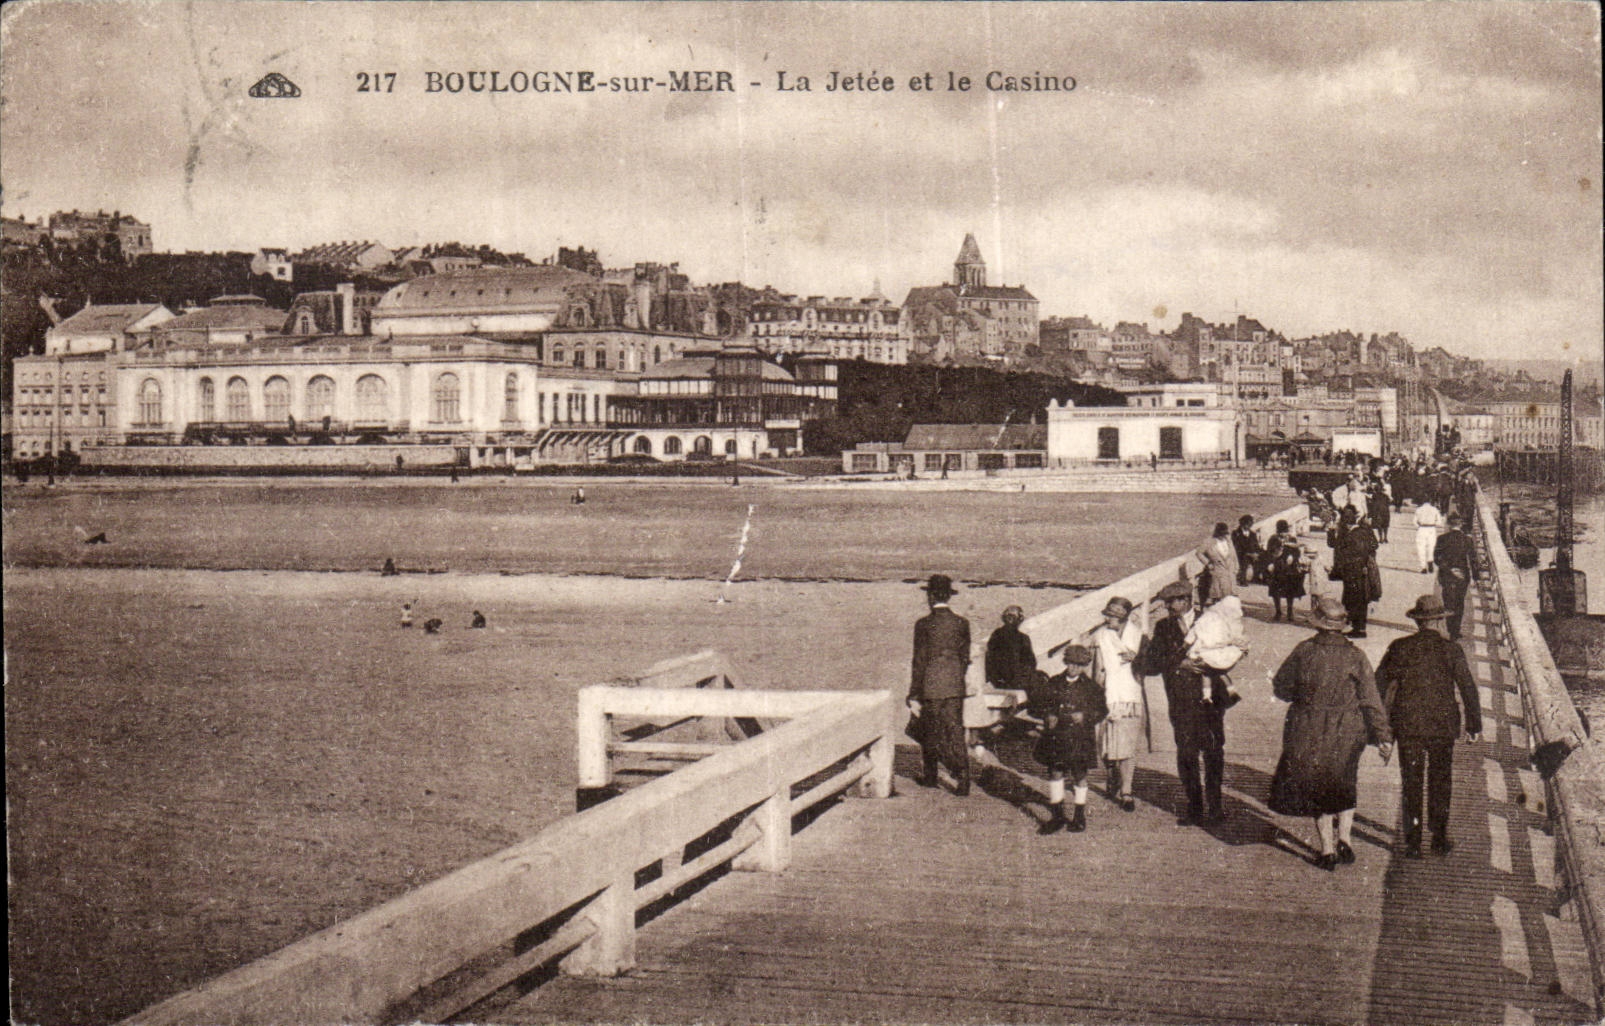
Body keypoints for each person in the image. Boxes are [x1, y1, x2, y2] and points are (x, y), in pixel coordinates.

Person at [1269, 595, 1393, 871]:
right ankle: (1345, 838)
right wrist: (1383, 736)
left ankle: (1327, 849)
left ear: (1318, 625)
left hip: (1308, 726)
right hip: (1347, 728)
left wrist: (1303, 695)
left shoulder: (1304, 651)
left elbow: (1281, 687)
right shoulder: (1356, 656)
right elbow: (1371, 699)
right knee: (1344, 780)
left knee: (1318, 784)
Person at [1377, 594, 1481, 858]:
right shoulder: (1451, 650)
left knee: (1411, 782)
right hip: (1441, 726)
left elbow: (1379, 684)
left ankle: (1413, 843)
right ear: (1439, 621)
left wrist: (1381, 728)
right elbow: (1468, 688)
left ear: (1418, 621)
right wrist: (1473, 725)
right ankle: (1439, 838)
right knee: (1440, 781)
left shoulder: (1399, 647)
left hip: (1408, 725)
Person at [1143, 580, 1228, 825]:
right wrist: (1180, 663)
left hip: (1211, 700)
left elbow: (1229, 651)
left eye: (1173, 602)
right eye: (1166, 602)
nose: (1168, 606)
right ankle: (1195, 807)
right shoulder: (1164, 627)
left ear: (1187, 600)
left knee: (1213, 753)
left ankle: (1215, 807)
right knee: (1187, 754)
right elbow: (1152, 664)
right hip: (1180, 701)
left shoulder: (1211, 619)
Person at [909, 574, 973, 795]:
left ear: (931, 596)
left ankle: (931, 776)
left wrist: (913, 692)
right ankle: (963, 778)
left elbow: (919, 660)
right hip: (955, 685)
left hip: (931, 685)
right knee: (955, 731)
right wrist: (956, 677)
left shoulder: (923, 624)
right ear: (948, 596)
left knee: (930, 730)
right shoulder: (962, 623)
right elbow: (965, 657)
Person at [1033, 645, 1106, 834]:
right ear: (1066, 662)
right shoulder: (1054, 682)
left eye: (1079, 665)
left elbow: (1102, 710)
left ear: (1084, 666)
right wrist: (1048, 715)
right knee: (1055, 773)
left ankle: (1079, 816)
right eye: (1071, 663)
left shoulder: (1091, 687)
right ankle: (1057, 816)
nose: (1074, 668)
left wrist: (1085, 716)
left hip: (1080, 737)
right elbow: (1041, 704)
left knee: (1080, 775)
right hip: (1057, 736)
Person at [1088, 596, 1145, 811]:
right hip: (1107, 695)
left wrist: (1136, 659)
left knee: (1127, 746)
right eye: (1107, 615)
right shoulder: (1101, 637)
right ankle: (1112, 775)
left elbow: (1149, 664)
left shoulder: (1138, 637)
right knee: (1105, 745)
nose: (1107, 619)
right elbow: (1095, 668)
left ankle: (1126, 791)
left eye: (1111, 616)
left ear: (1122, 618)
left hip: (1130, 696)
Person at [1187, 593, 1247, 709]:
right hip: (1220, 654)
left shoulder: (1206, 619)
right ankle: (1232, 692)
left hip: (1207, 653)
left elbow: (1194, 633)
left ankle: (1206, 697)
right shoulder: (1229, 621)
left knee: (1206, 674)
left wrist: (1188, 644)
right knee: (1221, 673)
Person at [986, 605, 1042, 718]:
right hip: (1012, 680)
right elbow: (1031, 663)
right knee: (1040, 679)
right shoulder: (1022, 638)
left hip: (999, 681)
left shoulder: (996, 635)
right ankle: (1033, 713)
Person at [1331, 506, 1379, 638]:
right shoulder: (1362, 531)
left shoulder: (1352, 534)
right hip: (1358, 571)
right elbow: (1374, 545)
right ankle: (1357, 627)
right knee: (1358, 599)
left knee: (1356, 599)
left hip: (1354, 571)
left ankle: (1359, 629)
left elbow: (1341, 550)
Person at [1434, 512, 1476, 641]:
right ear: (1461, 524)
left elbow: (1436, 558)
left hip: (1447, 575)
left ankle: (1450, 629)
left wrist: (1449, 570)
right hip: (1462, 575)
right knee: (1459, 602)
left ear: (1448, 524)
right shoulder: (1467, 539)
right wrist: (1476, 577)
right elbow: (1473, 560)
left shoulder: (1442, 538)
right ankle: (1455, 631)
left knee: (1448, 601)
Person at [1265, 521, 1307, 621]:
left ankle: (1290, 611)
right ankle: (1278, 611)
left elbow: (1297, 552)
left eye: (1285, 531)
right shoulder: (1273, 539)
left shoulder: (1292, 539)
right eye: (1282, 532)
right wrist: (1270, 563)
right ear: (1278, 531)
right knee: (1276, 590)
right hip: (1277, 567)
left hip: (1289, 568)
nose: (1284, 534)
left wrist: (1292, 556)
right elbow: (1269, 553)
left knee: (1290, 591)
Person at [1196, 523, 1239, 605]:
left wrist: (1236, 567)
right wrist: (1208, 563)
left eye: (1225, 534)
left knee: (1231, 595)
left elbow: (1234, 555)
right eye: (1221, 534)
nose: (1223, 536)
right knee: (1218, 595)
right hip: (1218, 570)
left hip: (1230, 572)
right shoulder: (1209, 542)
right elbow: (1199, 553)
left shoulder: (1228, 541)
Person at [1231, 515, 1263, 586]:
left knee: (1262, 557)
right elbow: (1236, 547)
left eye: (1250, 524)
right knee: (1244, 559)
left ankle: (1256, 577)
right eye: (1248, 524)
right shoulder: (1236, 533)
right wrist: (1249, 554)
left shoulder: (1252, 534)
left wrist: (1257, 553)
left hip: (1252, 554)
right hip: (1240, 555)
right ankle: (1242, 579)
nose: (1249, 526)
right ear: (1243, 524)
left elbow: (1256, 546)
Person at [1414, 498, 1442, 573]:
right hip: (1431, 529)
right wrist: (1433, 523)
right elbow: (1439, 522)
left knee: (1421, 548)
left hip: (1422, 529)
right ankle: (1430, 560)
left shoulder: (1419, 509)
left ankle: (1423, 567)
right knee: (1431, 547)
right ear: (1430, 501)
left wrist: (1418, 527)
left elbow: (1414, 522)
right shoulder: (1435, 509)